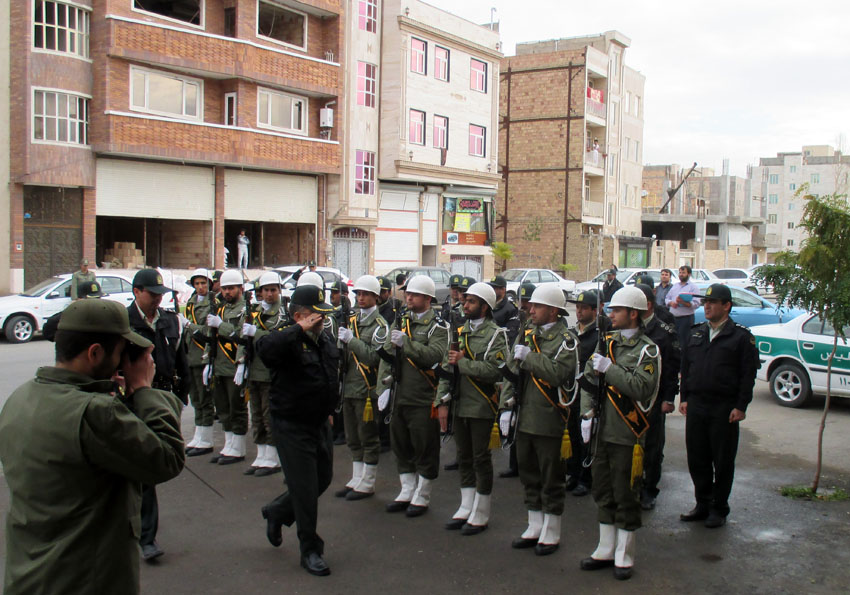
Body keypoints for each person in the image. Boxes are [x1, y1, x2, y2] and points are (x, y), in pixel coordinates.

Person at [0, 299, 185, 594]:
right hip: (86, 578)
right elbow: (167, 459)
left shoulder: (22, 397)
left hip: (31, 573)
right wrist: (144, 390)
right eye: (121, 354)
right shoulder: (95, 413)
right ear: (95, 353)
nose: (125, 361)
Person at [257, 285, 339, 577]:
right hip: (291, 424)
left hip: (318, 421)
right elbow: (265, 350)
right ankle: (311, 549)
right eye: (314, 317)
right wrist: (298, 329)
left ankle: (278, 511)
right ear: (298, 316)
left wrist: (330, 410)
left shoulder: (325, 338)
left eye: (323, 315)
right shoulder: (285, 339)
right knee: (304, 489)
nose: (321, 321)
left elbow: (330, 375)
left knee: (323, 479)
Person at [579, 286, 660, 581]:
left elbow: (642, 388)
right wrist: (586, 414)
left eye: (617, 310)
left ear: (633, 314)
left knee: (626, 494)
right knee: (602, 490)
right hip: (602, 431)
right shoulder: (606, 342)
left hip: (628, 433)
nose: (611, 315)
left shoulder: (648, 350)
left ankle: (624, 554)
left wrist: (610, 369)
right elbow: (588, 381)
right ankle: (604, 547)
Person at [499, 285, 578, 555]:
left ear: (553, 310)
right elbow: (511, 371)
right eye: (531, 306)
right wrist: (505, 408)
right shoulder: (527, 333)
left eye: (537, 306)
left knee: (551, 476)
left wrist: (530, 357)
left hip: (548, 417)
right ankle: (534, 524)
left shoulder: (566, 340)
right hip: (524, 415)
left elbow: (559, 374)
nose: (530, 310)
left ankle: (552, 529)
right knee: (529, 472)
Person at [679, 283, 759, 529]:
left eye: (713, 302)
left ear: (727, 306)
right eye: (705, 302)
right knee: (697, 457)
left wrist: (741, 405)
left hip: (724, 408)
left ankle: (719, 507)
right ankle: (702, 503)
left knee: (722, 460)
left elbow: (748, 375)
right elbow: (687, 368)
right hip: (697, 405)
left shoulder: (741, 337)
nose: (707, 306)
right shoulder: (696, 333)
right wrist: (684, 398)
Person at [127, 268, 189, 562]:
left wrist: (182, 394)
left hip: (163, 397)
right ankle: (146, 537)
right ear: (136, 292)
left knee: (151, 464)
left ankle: (142, 530)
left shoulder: (169, 320)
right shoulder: (124, 323)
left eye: (159, 295)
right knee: (141, 469)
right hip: (134, 401)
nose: (156, 300)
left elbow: (180, 358)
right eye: (151, 295)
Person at [437, 282, 509, 535]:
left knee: (481, 458)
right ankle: (466, 505)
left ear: (485, 306)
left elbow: (496, 372)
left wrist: (465, 364)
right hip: (459, 403)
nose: (465, 305)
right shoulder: (458, 331)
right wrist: (442, 402)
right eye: (465, 301)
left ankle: (482, 510)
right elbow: (446, 371)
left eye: (471, 302)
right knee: (464, 457)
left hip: (481, 405)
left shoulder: (496, 335)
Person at [377, 275, 448, 517]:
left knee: (424, 446)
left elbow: (434, 356)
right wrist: (383, 388)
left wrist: (407, 343)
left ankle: (423, 494)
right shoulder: (401, 321)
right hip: (400, 394)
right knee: (401, 443)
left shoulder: (438, 327)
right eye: (407, 293)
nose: (408, 297)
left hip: (423, 396)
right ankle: (407, 489)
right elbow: (387, 357)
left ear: (428, 298)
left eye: (414, 294)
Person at [334, 275, 389, 500]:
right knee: (352, 435)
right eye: (358, 294)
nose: (361, 298)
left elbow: (375, 358)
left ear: (376, 297)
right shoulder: (352, 319)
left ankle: (368, 481)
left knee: (368, 436)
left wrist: (351, 340)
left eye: (366, 294)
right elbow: (343, 356)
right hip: (349, 386)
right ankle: (356, 477)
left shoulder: (380, 326)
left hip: (367, 389)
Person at [635, 283, 681, 510]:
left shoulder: (663, 330)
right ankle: (632, 485)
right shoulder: (630, 328)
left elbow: (672, 366)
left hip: (655, 397)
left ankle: (649, 490)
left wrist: (669, 398)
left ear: (648, 305)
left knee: (653, 447)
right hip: (631, 396)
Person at [238, 271, 289, 477]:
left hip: (270, 373)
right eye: (266, 290)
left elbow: (279, 339)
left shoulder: (283, 314)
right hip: (254, 371)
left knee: (269, 416)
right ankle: (261, 454)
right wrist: (240, 362)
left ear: (278, 291)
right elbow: (244, 340)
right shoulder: (253, 312)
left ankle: (273, 457)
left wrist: (256, 332)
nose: (269, 294)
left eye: (273, 290)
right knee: (256, 415)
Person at [566, 290, 611, 497]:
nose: (580, 311)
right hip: (571, 390)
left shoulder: (600, 333)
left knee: (587, 436)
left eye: (584, 308)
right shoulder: (572, 332)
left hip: (589, 390)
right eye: (577, 308)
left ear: (596, 309)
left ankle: (586, 477)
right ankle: (573, 474)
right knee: (572, 434)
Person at [205, 269, 249, 465]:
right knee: (222, 406)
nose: (227, 292)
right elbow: (211, 336)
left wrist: (221, 325)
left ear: (241, 288)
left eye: (231, 288)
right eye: (224, 289)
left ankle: (238, 447)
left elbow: (241, 335)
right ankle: (229, 444)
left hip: (234, 365)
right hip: (219, 364)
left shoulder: (245, 310)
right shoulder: (220, 309)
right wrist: (207, 361)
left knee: (236, 406)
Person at [498, 281, 537, 479]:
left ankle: (526, 467)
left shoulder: (537, 326)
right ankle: (515, 465)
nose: (524, 307)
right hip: (518, 381)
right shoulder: (524, 325)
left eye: (528, 303)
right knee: (514, 421)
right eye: (522, 303)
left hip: (535, 388)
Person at [183, 269, 216, 457]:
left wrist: (189, 326)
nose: (200, 287)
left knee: (204, 398)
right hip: (190, 356)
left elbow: (207, 332)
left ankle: (207, 437)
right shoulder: (190, 303)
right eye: (197, 284)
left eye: (203, 283)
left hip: (203, 356)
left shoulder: (214, 304)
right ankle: (199, 433)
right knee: (195, 398)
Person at [665, 265, 700, 349]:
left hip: (686, 319)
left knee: (684, 343)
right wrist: (671, 303)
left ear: (689, 274)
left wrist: (684, 303)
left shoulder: (693, 287)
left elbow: (696, 303)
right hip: (673, 318)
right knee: (672, 341)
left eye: (683, 273)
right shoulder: (675, 286)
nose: (681, 274)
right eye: (680, 272)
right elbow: (667, 298)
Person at [488, 275, 522, 347]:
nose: (491, 290)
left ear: (503, 290)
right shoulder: (488, 305)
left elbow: (511, 335)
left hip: (499, 345)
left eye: (494, 288)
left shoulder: (510, 309)